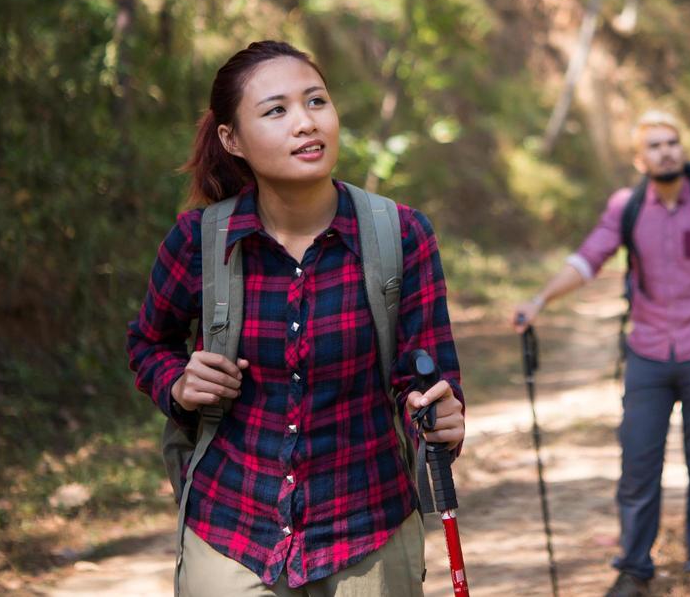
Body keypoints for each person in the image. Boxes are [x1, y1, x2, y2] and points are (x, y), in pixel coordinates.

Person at [128, 40, 464, 596]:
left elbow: (426, 381)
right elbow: (148, 342)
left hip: (369, 529)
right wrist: (179, 383)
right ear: (230, 139)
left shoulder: (401, 235)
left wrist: (440, 418)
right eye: (276, 110)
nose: (305, 123)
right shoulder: (199, 242)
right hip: (231, 527)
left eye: (316, 102)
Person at [513, 110, 690, 597]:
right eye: (656, 145)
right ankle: (634, 570)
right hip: (646, 355)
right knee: (638, 464)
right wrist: (539, 300)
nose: (666, 151)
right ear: (639, 158)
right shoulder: (627, 207)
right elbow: (587, 260)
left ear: (681, 149)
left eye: (673, 142)